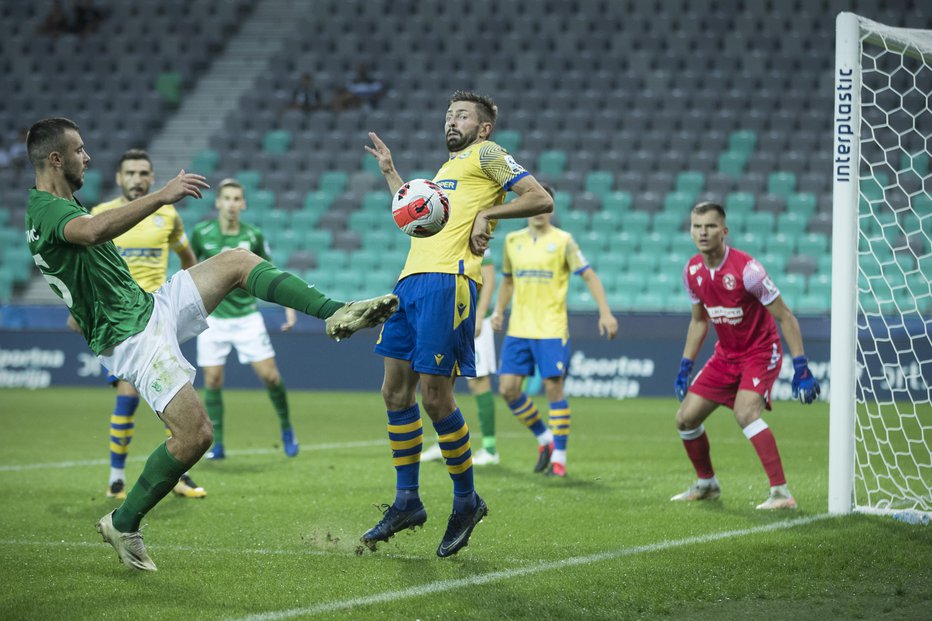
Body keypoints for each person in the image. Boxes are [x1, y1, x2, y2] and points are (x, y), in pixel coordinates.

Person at [25, 117, 397, 571]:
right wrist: (160, 195)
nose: (88, 157)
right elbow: (91, 233)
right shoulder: (45, 209)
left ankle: (336, 310)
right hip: (130, 337)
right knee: (196, 436)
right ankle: (123, 522)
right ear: (56, 158)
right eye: (80, 150)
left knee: (237, 260)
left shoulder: (67, 203)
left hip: (149, 307)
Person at [362, 91, 552, 557]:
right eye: (448, 114)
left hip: (450, 283)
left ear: (483, 127)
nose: (452, 121)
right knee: (393, 392)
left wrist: (489, 212)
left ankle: (466, 501)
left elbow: (540, 196)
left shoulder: (487, 154)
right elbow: (414, 220)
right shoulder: (445, 173)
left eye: (462, 115)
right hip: (409, 283)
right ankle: (407, 500)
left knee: (435, 396)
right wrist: (391, 173)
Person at [671, 201, 821, 510]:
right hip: (726, 355)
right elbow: (700, 321)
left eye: (710, 226)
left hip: (760, 351)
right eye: (697, 226)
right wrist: (685, 365)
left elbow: (787, 317)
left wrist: (801, 366)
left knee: (746, 413)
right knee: (685, 419)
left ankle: (781, 493)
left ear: (724, 231)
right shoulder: (692, 271)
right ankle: (707, 484)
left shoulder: (748, 271)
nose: (703, 232)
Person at [87, 149, 205, 500]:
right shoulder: (99, 216)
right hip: (120, 321)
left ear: (152, 178)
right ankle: (117, 478)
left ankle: (177, 473)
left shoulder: (167, 216)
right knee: (129, 395)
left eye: (143, 173)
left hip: (157, 317)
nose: (137, 179)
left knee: (169, 396)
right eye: (131, 173)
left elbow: (187, 258)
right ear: (119, 178)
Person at [491, 185, 618, 477]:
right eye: (532, 205)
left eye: (545, 205)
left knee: (553, 388)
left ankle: (559, 458)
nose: (539, 211)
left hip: (550, 327)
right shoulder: (512, 241)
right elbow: (508, 281)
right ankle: (545, 439)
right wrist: (499, 310)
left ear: (551, 208)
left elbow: (589, 275)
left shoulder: (564, 241)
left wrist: (605, 312)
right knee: (508, 389)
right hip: (519, 327)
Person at [190, 178, 299, 460]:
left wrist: (288, 306)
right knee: (212, 380)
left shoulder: (253, 236)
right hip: (212, 318)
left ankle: (287, 428)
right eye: (226, 198)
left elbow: (270, 273)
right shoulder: (202, 234)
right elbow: (188, 270)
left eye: (237, 199)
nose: (231, 204)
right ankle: (219, 444)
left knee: (271, 376)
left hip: (247, 316)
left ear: (243, 204)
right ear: (218, 202)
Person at [421, 249, 500, 465]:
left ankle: (490, 449)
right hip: (446, 317)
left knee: (478, 382)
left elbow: (489, 279)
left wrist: (479, 315)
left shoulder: (474, 234)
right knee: (441, 381)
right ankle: (443, 441)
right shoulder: (443, 236)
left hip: (472, 318)